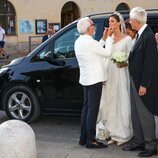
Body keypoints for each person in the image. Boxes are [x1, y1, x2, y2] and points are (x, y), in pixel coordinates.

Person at [122, 7, 158, 157]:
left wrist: (144, 85)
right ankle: (139, 141)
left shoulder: (148, 36)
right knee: (135, 113)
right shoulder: (140, 34)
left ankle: (150, 145)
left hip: (143, 83)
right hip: (134, 80)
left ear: (136, 21)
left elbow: (150, 64)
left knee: (145, 114)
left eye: (130, 19)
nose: (129, 22)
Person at [74, 17, 114, 149]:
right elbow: (107, 52)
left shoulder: (80, 41)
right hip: (95, 79)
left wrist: (102, 39)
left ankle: (83, 138)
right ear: (88, 28)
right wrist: (108, 38)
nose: (94, 27)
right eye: (92, 25)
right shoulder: (90, 42)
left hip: (86, 79)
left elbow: (96, 49)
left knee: (86, 109)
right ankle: (91, 140)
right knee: (92, 110)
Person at [96, 12, 133, 146]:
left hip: (121, 73)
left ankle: (122, 134)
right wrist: (106, 38)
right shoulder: (110, 38)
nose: (110, 24)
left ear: (119, 23)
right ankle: (112, 133)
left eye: (112, 21)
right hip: (109, 73)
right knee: (110, 103)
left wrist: (123, 62)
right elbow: (104, 55)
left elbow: (131, 58)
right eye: (109, 22)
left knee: (121, 101)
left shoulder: (127, 39)